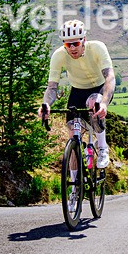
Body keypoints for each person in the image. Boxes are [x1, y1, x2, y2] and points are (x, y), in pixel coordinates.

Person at [40, 19, 115, 171]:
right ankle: (74, 187)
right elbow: (52, 87)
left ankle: (102, 149)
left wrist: (105, 103)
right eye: (68, 44)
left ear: (84, 40)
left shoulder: (97, 48)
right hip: (77, 91)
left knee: (95, 104)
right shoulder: (59, 55)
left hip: (100, 88)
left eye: (76, 43)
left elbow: (110, 78)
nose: (72, 48)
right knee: (72, 134)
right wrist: (46, 105)